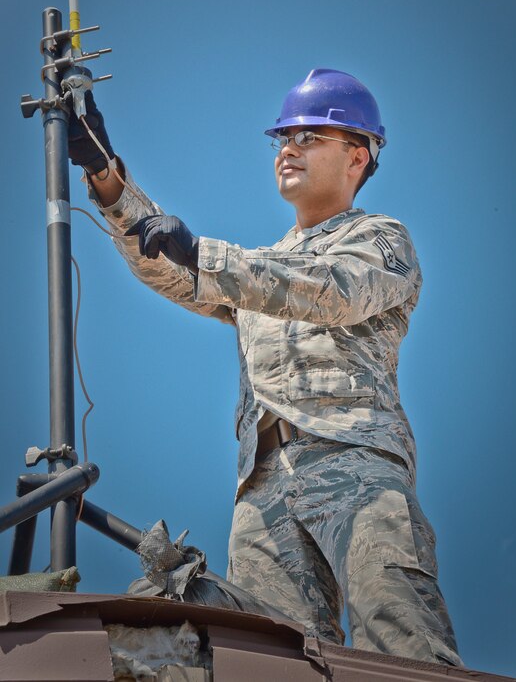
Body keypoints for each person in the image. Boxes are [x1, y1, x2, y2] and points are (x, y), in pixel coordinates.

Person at [68, 68, 462, 665]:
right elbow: (173, 270)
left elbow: (332, 291)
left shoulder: (381, 240)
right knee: (268, 662)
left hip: (352, 461)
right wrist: (106, 178)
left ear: (358, 155)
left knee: (401, 643)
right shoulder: (263, 265)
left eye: (309, 137)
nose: (288, 149)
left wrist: (205, 253)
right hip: (263, 487)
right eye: (283, 137)